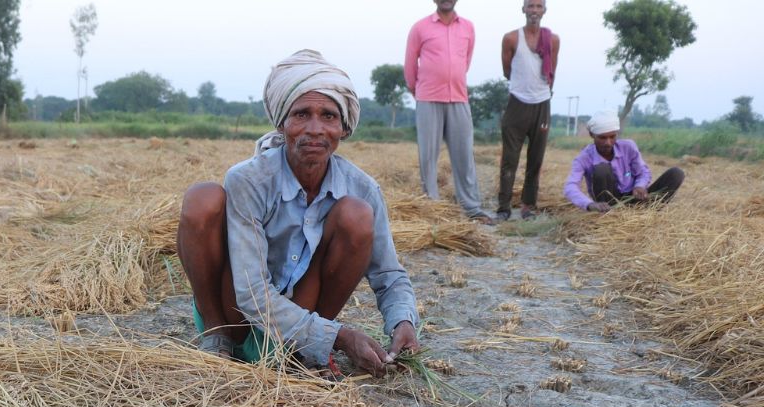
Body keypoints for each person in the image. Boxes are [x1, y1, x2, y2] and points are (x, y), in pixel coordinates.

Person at [176, 50, 420, 377]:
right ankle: (215, 335)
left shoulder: (362, 189)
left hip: (302, 326)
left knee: (357, 216)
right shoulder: (249, 180)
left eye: (329, 116)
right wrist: (339, 337)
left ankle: (299, 356)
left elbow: (388, 273)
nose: (315, 129)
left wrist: (402, 321)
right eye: (302, 114)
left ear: (344, 128)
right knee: (202, 199)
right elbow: (249, 291)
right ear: (282, 124)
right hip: (237, 315)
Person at [406, 0, 492, 224]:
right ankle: (431, 205)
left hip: (458, 97)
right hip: (428, 98)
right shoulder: (420, 27)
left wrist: (452, 78)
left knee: (464, 154)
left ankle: (472, 207)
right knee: (428, 156)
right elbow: (410, 65)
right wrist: (418, 90)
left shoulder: (468, 27)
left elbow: (466, 61)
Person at [497, 0, 559, 221]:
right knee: (509, 159)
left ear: (544, 10)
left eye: (538, 6)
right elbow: (507, 70)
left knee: (536, 159)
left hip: (542, 103)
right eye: (530, 6)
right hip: (517, 103)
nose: (534, 10)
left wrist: (540, 91)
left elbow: (552, 71)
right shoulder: (511, 38)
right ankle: (503, 207)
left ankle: (528, 207)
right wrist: (523, 87)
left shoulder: (552, 40)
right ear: (523, 9)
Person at [563, 111, 685, 213]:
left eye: (612, 137)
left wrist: (640, 186)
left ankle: (649, 213)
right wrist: (589, 204)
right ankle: (610, 216)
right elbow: (570, 187)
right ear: (592, 135)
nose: (608, 142)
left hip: (634, 198)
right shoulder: (584, 158)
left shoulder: (628, 147)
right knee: (602, 169)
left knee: (676, 174)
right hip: (607, 205)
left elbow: (643, 172)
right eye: (602, 138)